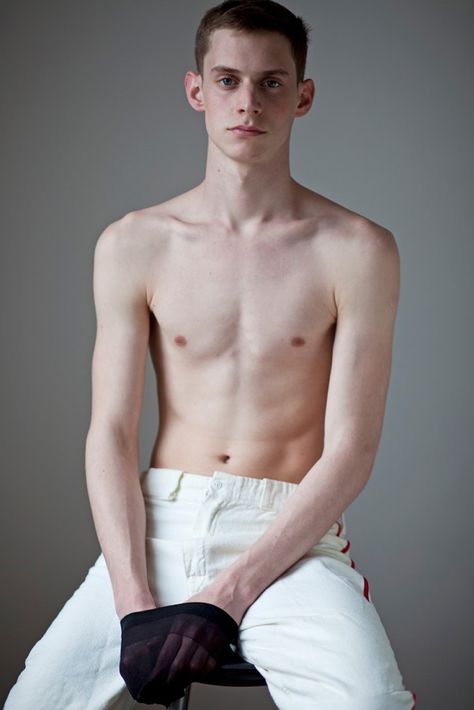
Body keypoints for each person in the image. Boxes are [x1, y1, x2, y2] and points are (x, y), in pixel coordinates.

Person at [5, 1, 417, 708]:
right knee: (35, 700)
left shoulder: (358, 250)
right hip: (158, 524)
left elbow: (352, 448)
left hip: (289, 534)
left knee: (370, 702)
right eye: (227, 81)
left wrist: (226, 596)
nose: (248, 102)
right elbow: (110, 432)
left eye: (271, 83)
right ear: (197, 90)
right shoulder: (133, 243)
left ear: (303, 96)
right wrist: (134, 604)